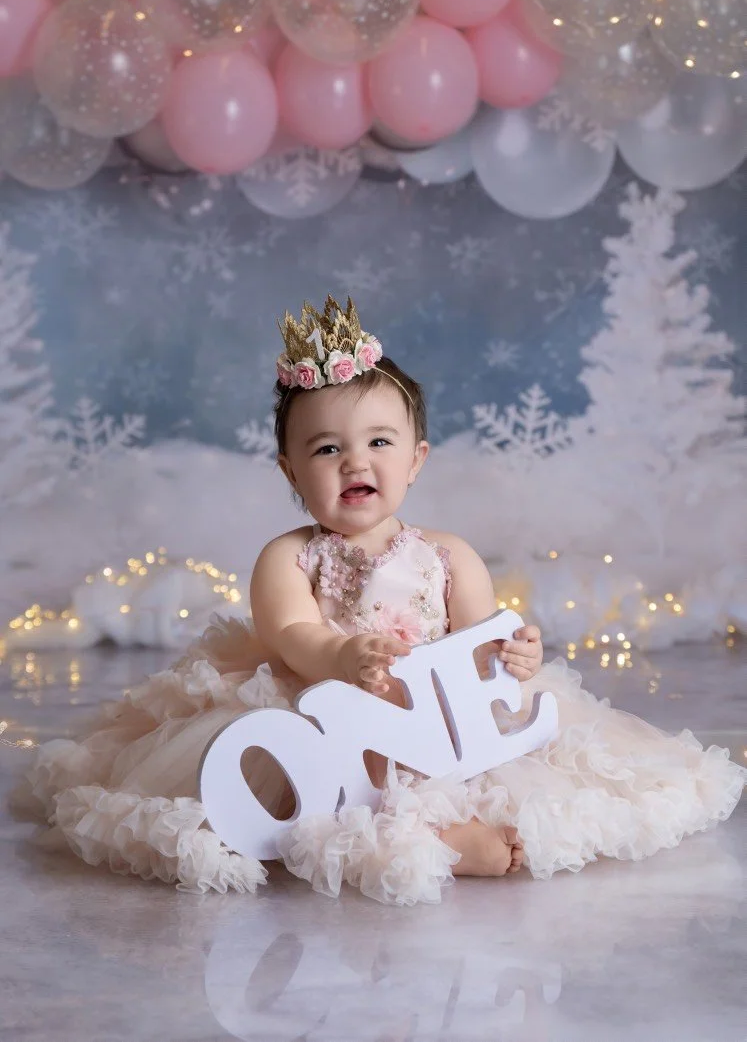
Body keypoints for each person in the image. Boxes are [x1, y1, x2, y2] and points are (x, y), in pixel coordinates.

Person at [12, 297, 745, 906]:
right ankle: (432, 845)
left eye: (378, 441)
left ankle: (439, 830)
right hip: (325, 706)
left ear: (415, 460)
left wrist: (515, 653)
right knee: (309, 786)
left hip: (436, 719)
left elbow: (480, 642)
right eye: (325, 449)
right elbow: (289, 632)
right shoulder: (288, 556)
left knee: (488, 768)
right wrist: (340, 653)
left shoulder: (449, 554)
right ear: (291, 471)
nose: (353, 460)